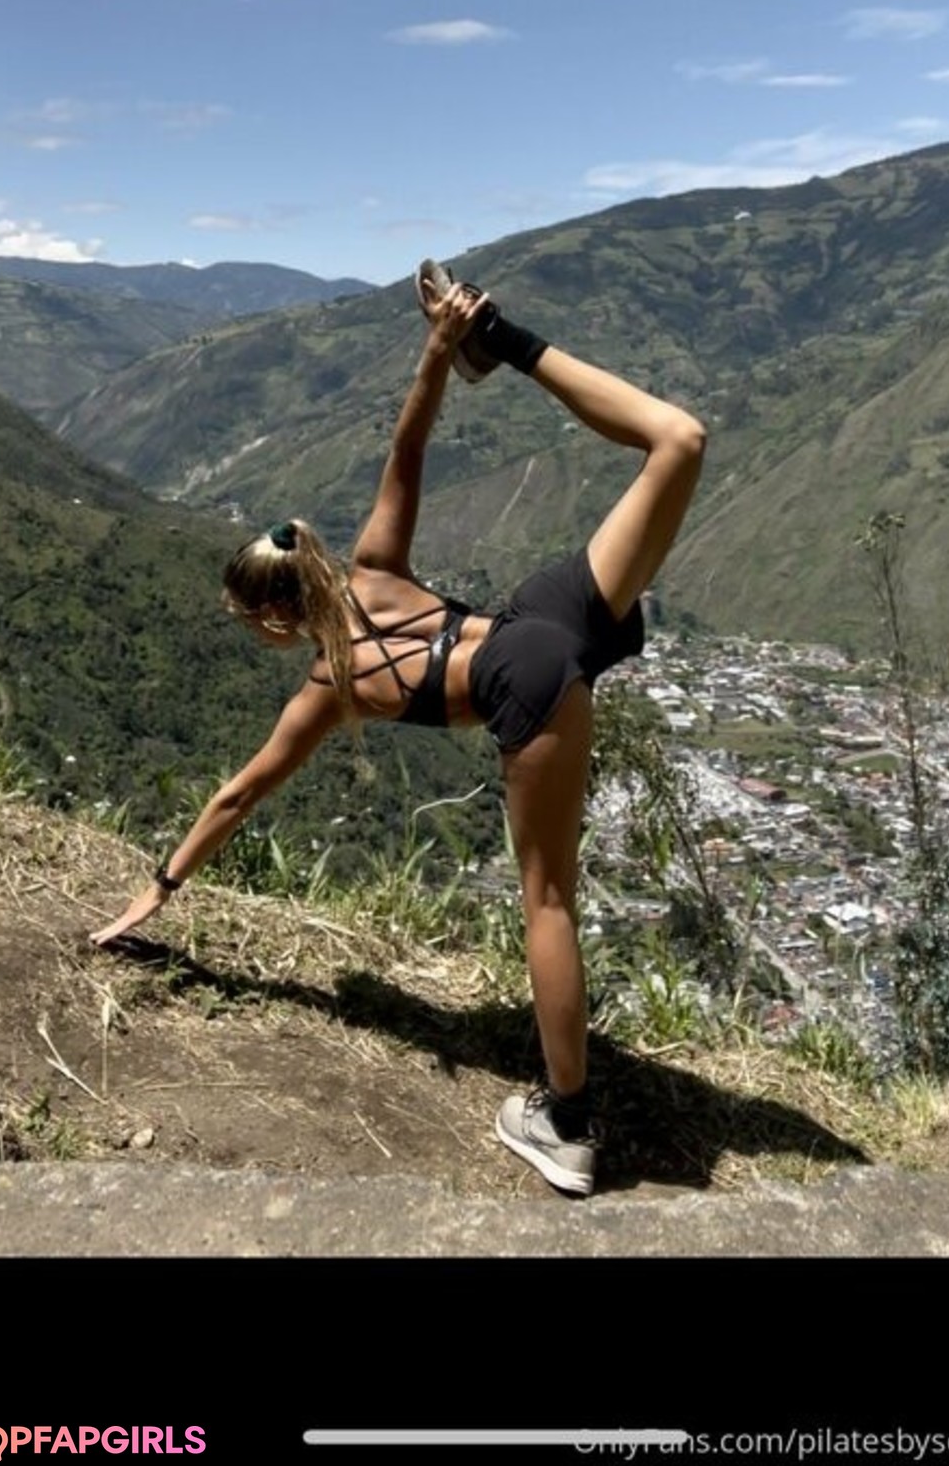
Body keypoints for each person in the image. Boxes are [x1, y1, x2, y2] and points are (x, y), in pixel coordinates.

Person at [91, 265, 707, 1196]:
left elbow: (240, 793)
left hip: (526, 674)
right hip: (539, 613)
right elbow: (409, 441)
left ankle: (567, 1122)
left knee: (548, 902)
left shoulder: (329, 688)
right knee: (678, 439)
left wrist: (160, 887)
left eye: (248, 621)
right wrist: (440, 346)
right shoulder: (375, 564)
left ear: (274, 615)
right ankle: (506, 341)